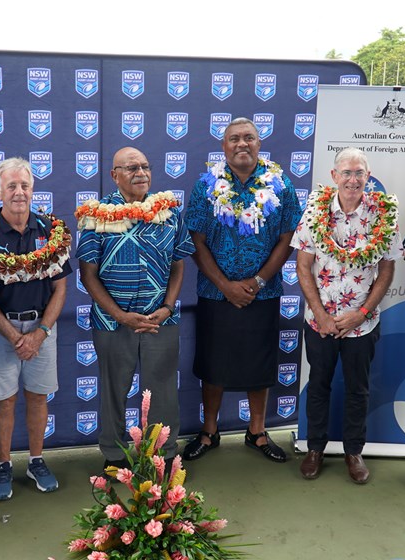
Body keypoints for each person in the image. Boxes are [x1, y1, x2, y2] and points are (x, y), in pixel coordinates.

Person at [182, 117, 302, 464]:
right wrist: (224, 285)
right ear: (224, 147)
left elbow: (288, 237)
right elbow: (196, 239)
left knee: (259, 364)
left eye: (248, 137)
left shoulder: (281, 185)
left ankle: (257, 431)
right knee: (213, 363)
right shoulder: (207, 185)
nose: (241, 144)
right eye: (234, 139)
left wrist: (258, 281)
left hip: (262, 293)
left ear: (259, 143)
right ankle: (209, 431)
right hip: (214, 292)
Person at [0, 157, 72, 499]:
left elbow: (61, 288)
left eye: (24, 186)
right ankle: (4, 464)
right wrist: (14, 336)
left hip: (42, 328)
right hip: (0, 330)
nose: (19, 192)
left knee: (38, 396)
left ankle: (37, 460)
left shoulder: (51, 231)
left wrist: (39, 333)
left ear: (33, 189)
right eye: (11, 186)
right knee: (5, 400)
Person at [75, 146, 194, 470]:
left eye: (145, 166)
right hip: (113, 323)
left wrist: (168, 307)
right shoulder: (95, 217)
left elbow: (178, 264)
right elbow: (88, 274)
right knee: (113, 392)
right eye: (131, 168)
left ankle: (164, 457)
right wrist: (120, 315)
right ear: (114, 175)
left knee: (163, 393)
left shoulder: (169, 212)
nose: (140, 173)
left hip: (160, 321)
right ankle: (114, 457)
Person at [293, 148, 401, 484]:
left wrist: (362, 313)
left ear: (368, 177)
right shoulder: (315, 211)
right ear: (334, 176)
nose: (353, 179)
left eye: (359, 173)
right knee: (319, 386)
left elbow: (386, 270)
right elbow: (302, 266)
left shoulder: (383, 215)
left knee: (359, 389)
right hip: (320, 321)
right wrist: (322, 315)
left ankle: (354, 452)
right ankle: (315, 449)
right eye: (347, 172)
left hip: (362, 323)